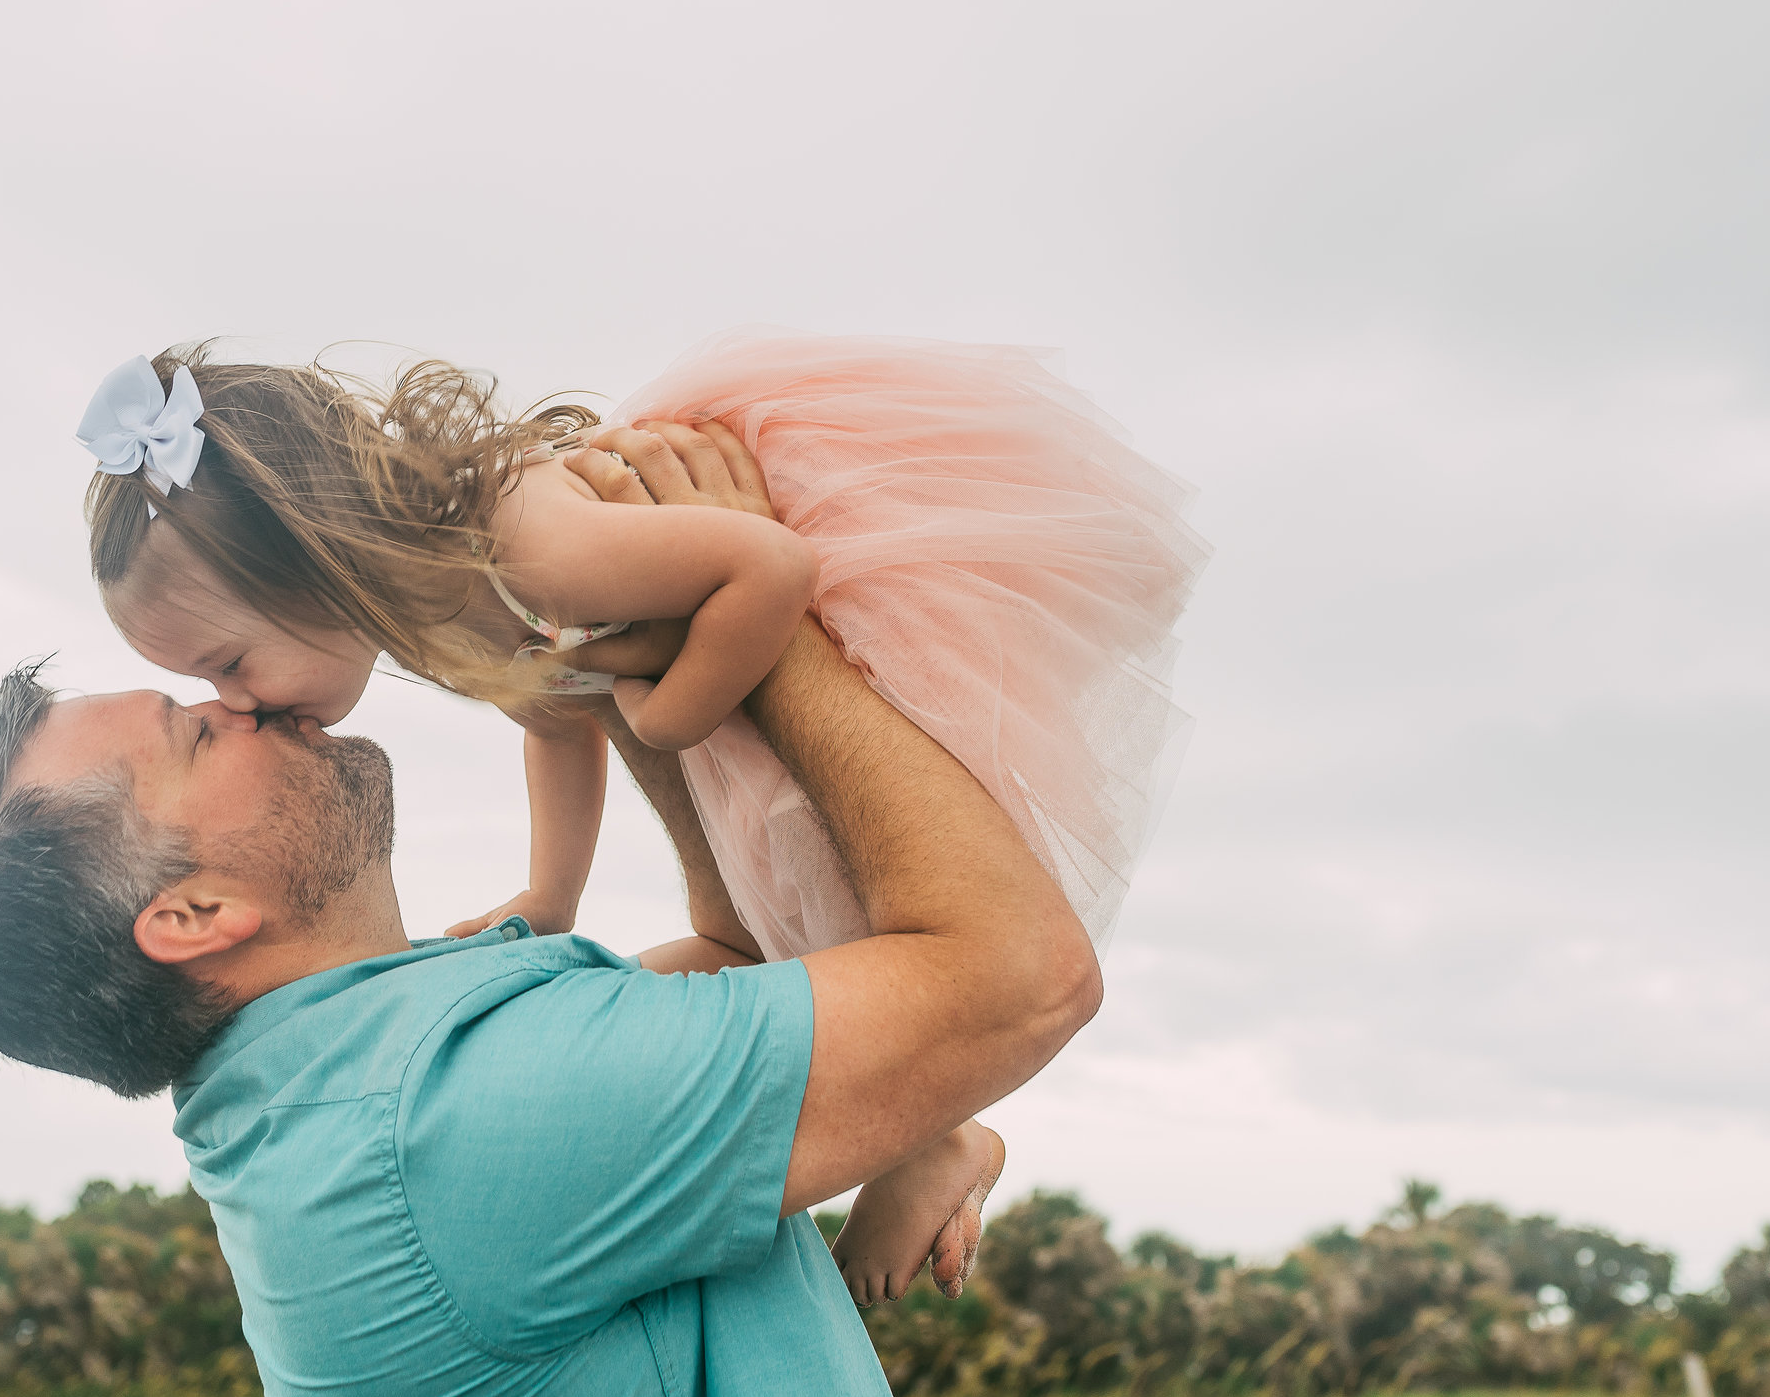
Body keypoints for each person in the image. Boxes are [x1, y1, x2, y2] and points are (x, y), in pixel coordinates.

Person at [0, 432, 1102, 1397]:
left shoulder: (354, 1093)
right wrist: (760, 607)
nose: (244, 705)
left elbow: (739, 954)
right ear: (195, 911)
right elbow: (1025, 975)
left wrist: (630, 635)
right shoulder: (446, 1124)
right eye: (195, 729)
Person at [73, 328, 1205, 1302]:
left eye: (226, 661)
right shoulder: (435, 624)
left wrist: (666, 719)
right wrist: (550, 892)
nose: (237, 704)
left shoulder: (530, 544)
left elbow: (766, 564)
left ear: (311, 555)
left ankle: (931, 1130)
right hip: (712, 665)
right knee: (783, 927)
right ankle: (932, 1131)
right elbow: (556, 715)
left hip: (820, 591)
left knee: (865, 896)